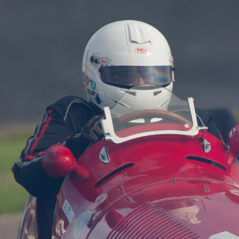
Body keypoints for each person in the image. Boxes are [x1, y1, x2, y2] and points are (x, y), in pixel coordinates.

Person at [12, 19, 175, 208]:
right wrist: (82, 140)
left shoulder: (189, 122)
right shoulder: (74, 113)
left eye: (152, 75)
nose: (142, 84)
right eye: (126, 75)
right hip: (86, 218)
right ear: (93, 75)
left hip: (165, 208)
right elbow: (26, 169)